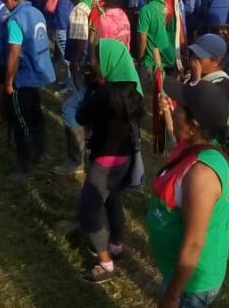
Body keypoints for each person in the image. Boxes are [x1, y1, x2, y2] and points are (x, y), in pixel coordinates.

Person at [148, 64, 229, 307]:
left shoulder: (201, 175)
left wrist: (172, 296)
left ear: (195, 126)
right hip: (178, 273)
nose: (174, 110)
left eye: (180, 109)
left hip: (191, 285)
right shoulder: (193, 144)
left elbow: (195, 243)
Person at [77, 39, 144, 283]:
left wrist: (92, 87)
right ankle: (116, 246)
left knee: (87, 210)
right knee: (113, 200)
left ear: (108, 62)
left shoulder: (104, 94)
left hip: (104, 162)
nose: (90, 62)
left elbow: (81, 115)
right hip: (124, 158)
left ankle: (105, 264)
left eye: (94, 58)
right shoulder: (132, 91)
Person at [0, 0, 56, 179]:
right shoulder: (36, 12)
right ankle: (40, 150)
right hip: (38, 72)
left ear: (8, 0)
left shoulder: (15, 21)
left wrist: (8, 82)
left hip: (22, 76)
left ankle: (24, 165)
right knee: (36, 114)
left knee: (21, 121)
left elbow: (14, 52)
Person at [53, 0, 96, 175]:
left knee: (70, 110)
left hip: (83, 65)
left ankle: (76, 160)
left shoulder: (81, 8)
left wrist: (74, 64)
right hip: (94, 65)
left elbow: (80, 40)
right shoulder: (96, 3)